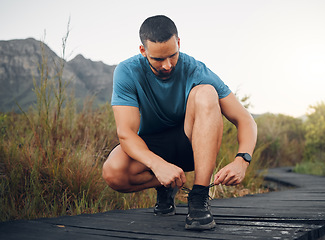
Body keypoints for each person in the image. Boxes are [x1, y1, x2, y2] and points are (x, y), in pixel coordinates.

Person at [102, 15, 257, 230]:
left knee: (206, 92)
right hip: (152, 146)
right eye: (158, 59)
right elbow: (126, 133)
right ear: (142, 50)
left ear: (179, 43)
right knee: (113, 172)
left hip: (191, 145)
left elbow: (245, 119)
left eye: (172, 56)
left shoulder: (196, 70)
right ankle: (166, 186)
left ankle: (199, 198)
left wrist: (242, 160)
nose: (167, 65)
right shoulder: (127, 72)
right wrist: (158, 166)